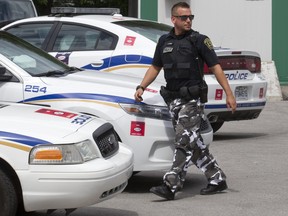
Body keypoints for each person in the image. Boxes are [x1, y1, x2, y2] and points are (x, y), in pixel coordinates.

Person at [134, 2, 237, 200]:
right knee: (193, 144)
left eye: (190, 17)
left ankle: (171, 185)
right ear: (174, 19)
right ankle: (217, 178)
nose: (188, 20)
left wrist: (229, 93)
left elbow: (215, 67)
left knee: (183, 142)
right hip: (173, 101)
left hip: (192, 101)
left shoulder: (199, 40)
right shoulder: (164, 41)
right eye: (184, 17)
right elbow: (155, 67)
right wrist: (141, 86)